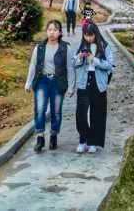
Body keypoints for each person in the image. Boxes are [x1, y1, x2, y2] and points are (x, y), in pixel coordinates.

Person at [25, 20, 72, 153]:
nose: (52, 32)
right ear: (46, 31)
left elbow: (70, 67)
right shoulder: (39, 47)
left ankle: (53, 135)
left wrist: (71, 86)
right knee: (40, 109)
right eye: (50, 29)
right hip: (42, 81)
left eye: (55, 30)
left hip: (58, 81)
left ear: (60, 33)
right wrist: (28, 82)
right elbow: (33, 65)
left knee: (56, 111)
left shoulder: (65, 47)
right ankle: (40, 137)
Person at [72, 22, 113, 154]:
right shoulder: (81, 46)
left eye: (91, 35)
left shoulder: (104, 46)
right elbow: (73, 63)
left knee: (97, 113)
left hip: (98, 82)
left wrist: (94, 59)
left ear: (96, 33)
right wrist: (79, 57)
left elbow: (109, 65)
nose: (88, 38)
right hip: (84, 81)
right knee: (81, 114)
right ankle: (83, 140)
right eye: (86, 35)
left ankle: (93, 142)